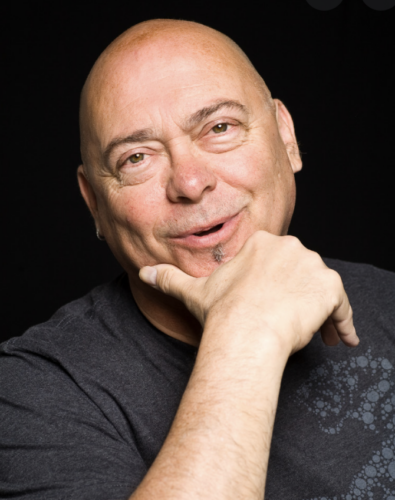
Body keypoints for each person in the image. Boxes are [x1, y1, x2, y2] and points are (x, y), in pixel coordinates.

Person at [1, 18, 394, 500]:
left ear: (286, 137)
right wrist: (247, 330)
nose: (189, 183)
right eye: (137, 158)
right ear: (95, 204)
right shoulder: (35, 391)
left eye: (220, 127)